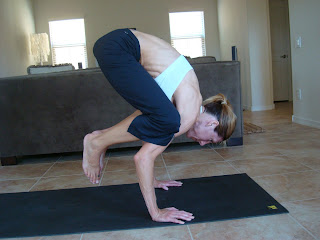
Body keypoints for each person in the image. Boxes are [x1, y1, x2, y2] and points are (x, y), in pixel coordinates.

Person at [82, 28, 237, 225]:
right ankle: (95, 142)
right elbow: (143, 157)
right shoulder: (185, 116)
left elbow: (144, 126)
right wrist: (156, 212)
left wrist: (153, 180)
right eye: (210, 139)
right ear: (212, 123)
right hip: (118, 46)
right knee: (168, 123)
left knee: (164, 121)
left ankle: (98, 138)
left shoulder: (182, 104)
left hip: (116, 42)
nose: (202, 144)